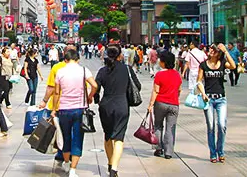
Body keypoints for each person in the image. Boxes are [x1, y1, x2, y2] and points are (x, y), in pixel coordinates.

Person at [93, 45, 139, 177]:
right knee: (119, 138)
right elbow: (138, 86)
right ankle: (114, 168)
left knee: (108, 136)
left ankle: (109, 162)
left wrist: (97, 100)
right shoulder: (127, 69)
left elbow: (96, 87)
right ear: (120, 55)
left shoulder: (102, 71)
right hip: (122, 105)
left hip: (106, 105)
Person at [51, 49, 97, 177]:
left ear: (65, 60)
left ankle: (66, 162)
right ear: (77, 59)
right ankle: (73, 170)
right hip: (79, 110)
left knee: (65, 137)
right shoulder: (84, 70)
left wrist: (54, 109)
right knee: (77, 138)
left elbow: (56, 93)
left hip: (64, 109)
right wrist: (90, 96)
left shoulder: (60, 72)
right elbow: (95, 85)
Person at [196, 43, 236, 163]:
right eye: (210, 49)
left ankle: (221, 151)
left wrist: (226, 51)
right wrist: (203, 93)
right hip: (208, 98)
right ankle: (213, 153)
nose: (211, 51)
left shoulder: (223, 64)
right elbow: (199, 81)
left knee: (222, 125)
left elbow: (233, 66)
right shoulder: (203, 65)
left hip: (221, 99)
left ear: (219, 53)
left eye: (214, 50)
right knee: (211, 126)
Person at [39, 44, 76, 167]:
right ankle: (70, 152)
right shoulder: (80, 69)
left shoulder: (57, 67)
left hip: (59, 105)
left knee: (60, 131)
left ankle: (62, 153)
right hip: (75, 105)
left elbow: (51, 87)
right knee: (71, 130)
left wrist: (44, 100)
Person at [148, 52, 182, 160]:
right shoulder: (177, 74)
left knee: (158, 125)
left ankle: (158, 149)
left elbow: (155, 91)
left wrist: (151, 104)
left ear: (163, 62)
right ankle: (168, 152)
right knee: (170, 128)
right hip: (174, 104)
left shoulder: (159, 75)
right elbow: (179, 89)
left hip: (160, 103)